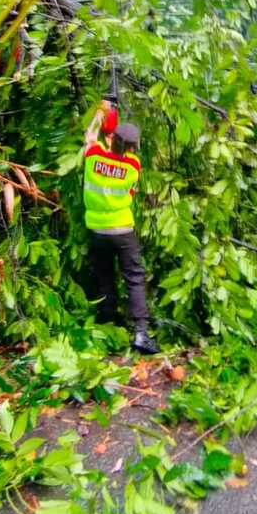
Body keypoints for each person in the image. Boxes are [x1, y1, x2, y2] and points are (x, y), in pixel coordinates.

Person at [82, 100, 159, 354]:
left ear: (112, 138)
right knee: (134, 278)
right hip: (123, 231)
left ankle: (108, 322)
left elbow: (90, 136)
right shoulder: (133, 167)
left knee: (104, 275)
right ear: (132, 148)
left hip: (97, 230)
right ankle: (140, 333)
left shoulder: (93, 157)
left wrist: (102, 111)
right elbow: (123, 167)